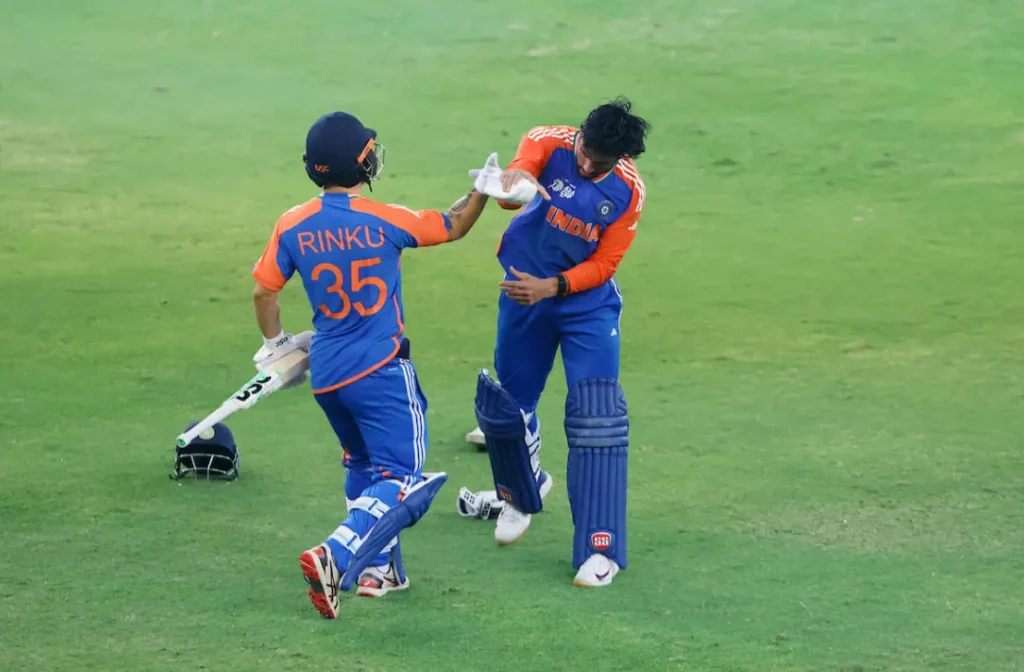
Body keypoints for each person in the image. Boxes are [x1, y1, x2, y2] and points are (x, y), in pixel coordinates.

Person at [250, 111, 536, 618]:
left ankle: (381, 573)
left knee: (362, 465)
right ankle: (335, 555)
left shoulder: (292, 223)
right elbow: (452, 226)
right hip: (381, 371)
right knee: (405, 478)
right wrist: (485, 190)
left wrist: (275, 345)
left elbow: (264, 290)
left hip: (329, 375)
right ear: (363, 162)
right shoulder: (385, 219)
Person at [466, 98, 650, 588]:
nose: (589, 165)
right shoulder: (549, 140)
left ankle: (599, 546)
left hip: (585, 306)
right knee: (512, 406)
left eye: (601, 162)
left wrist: (554, 287)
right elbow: (515, 188)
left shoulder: (628, 190)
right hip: (523, 289)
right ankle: (521, 493)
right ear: (580, 137)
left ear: (622, 158)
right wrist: (512, 182)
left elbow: (606, 264)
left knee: (596, 418)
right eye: (586, 153)